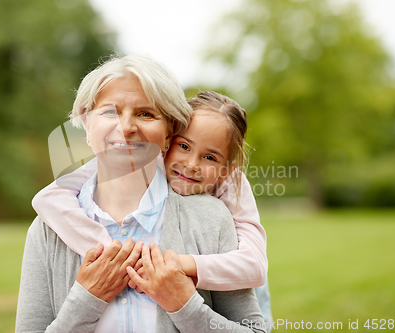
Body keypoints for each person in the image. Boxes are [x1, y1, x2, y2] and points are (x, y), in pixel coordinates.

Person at [16, 54, 266, 332]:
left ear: (169, 132)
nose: (125, 128)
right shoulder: (47, 230)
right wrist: (87, 300)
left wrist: (185, 306)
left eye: (146, 114)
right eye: (110, 111)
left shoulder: (212, 217)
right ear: (87, 125)